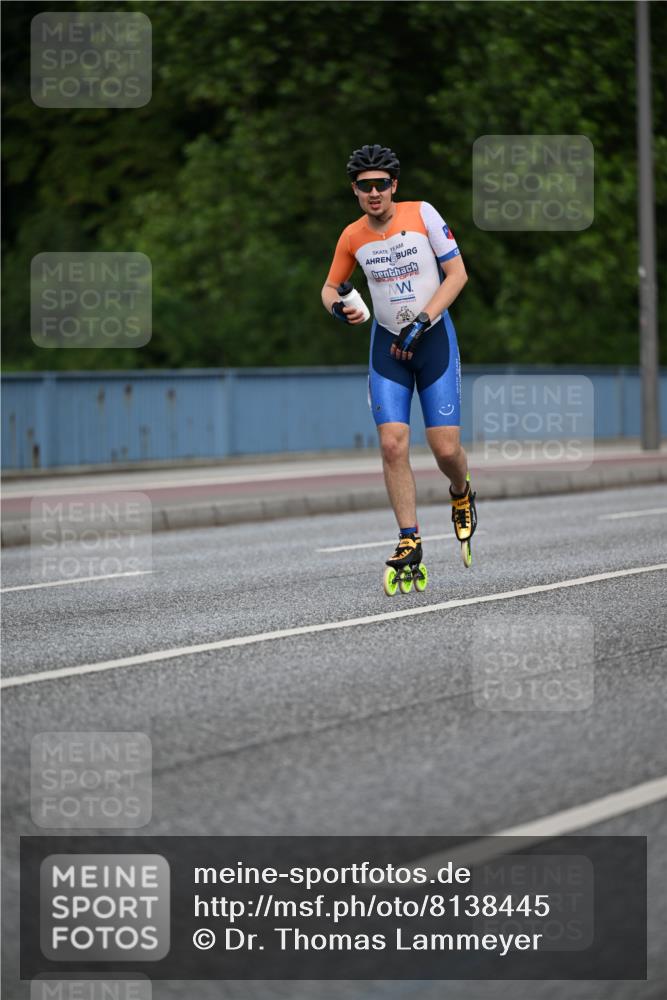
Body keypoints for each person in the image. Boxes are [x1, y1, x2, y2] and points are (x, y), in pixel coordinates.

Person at [321, 143, 477, 579]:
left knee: (445, 448)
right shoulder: (352, 236)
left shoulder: (423, 214)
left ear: (394, 185)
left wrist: (423, 320)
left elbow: (458, 274)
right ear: (354, 190)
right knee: (392, 444)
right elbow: (329, 288)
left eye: (381, 184)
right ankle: (409, 537)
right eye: (365, 186)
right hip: (388, 347)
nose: (374, 193)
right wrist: (338, 308)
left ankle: (461, 491)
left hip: (433, 340)